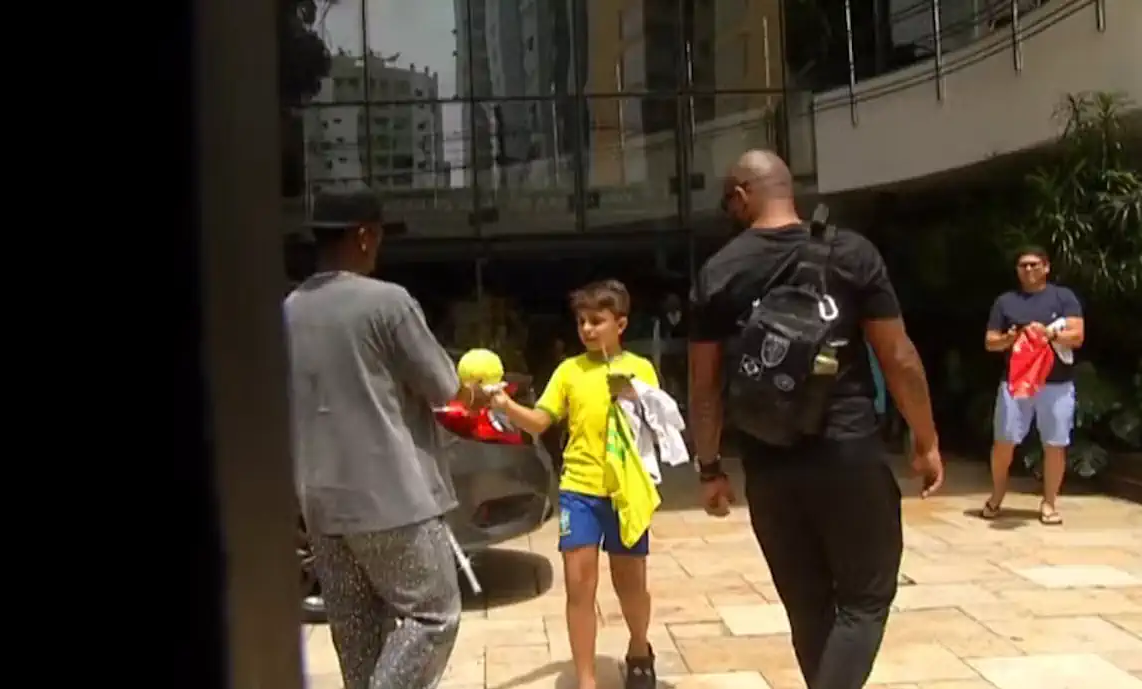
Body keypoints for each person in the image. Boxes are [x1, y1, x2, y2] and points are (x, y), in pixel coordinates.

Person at [687, 150, 943, 689]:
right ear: (789, 190)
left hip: (768, 464)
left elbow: (705, 386)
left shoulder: (719, 270)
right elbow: (898, 358)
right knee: (865, 599)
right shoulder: (851, 252)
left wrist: (710, 468)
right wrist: (926, 440)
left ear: (741, 196)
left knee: (807, 606)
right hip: (847, 450)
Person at [285, 189, 478, 689]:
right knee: (435, 615)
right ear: (365, 236)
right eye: (381, 236)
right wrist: (481, 394)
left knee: (359, 637)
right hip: (392, 498)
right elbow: (447, 388)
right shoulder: (387, 303)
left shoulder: (288, 310)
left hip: (322, 506)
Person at [481, 280, 659, 689]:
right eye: (582, 321)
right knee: (580, 586)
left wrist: (634, 399)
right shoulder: (568, 371)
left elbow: (657, 428)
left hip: (625, 493)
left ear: (621, 324)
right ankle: (586, 679)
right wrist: (507, 406)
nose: (588, 329)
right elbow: (540, 422)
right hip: (579, 490)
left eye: (597, 321)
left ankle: (638, 649)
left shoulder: (641, 368)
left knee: (630, 584)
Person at [982, 246, 1084, 525]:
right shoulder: (1006, 302)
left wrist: (1049, 333)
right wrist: (1010, 338)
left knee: (1055, 444)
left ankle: (1049, 503)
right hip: (1016, 383)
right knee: (1004, 441)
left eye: (1034, 265)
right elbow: (990, 342)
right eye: (1023, 265)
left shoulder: (1063, 297)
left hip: (1057, 383)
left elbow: (1077, 336)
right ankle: (996, 496)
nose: (1028, 270)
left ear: (1046, 267)